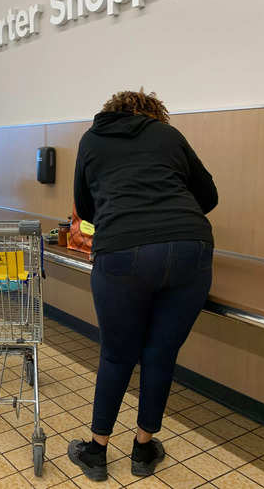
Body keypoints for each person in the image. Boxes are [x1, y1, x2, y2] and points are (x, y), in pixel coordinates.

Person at [68, 89, 218, 481]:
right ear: (154, 113)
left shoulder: (91, 139)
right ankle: (143, 448)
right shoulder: (167, 135)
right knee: (160, 354)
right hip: (190, 248)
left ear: (110, 112)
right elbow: (208, 195)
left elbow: (85, 209)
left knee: (118, 355)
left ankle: (97, 452)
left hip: (122, 253)